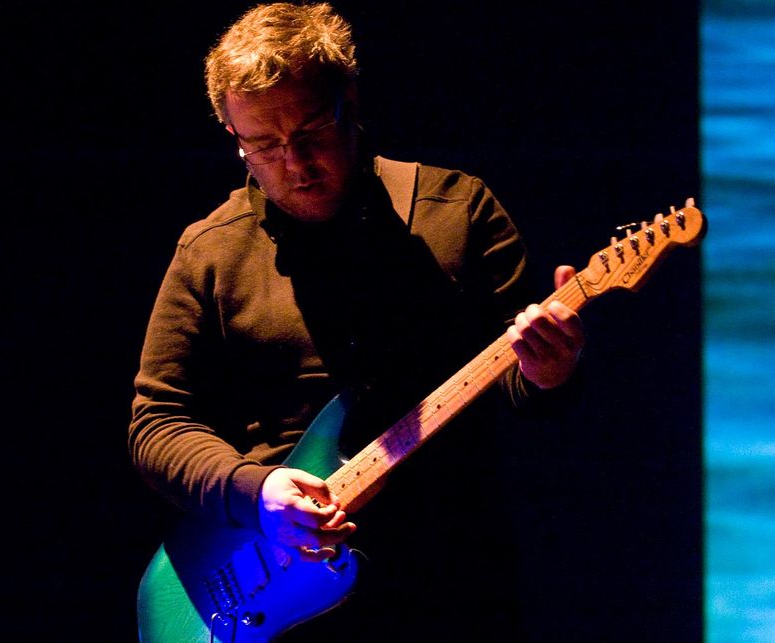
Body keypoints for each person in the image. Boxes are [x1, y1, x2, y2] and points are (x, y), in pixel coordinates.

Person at [129, 3, 584, 639]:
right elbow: (158, 423)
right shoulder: (210, 251)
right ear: (234, 138)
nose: (295, 162)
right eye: (263, 146)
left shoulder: (458, 214)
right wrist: (255, 491)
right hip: (274, 594)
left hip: (448, 584)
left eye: (311, 131)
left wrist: (550, 370)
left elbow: (527, 393)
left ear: (350, 100)